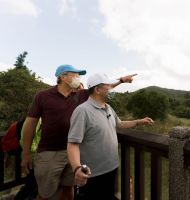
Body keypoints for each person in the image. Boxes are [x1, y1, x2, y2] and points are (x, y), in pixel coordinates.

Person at [21, 64, 136, 200]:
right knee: (45, 193)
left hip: (75, 153)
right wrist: (26, 152)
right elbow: (30, 124)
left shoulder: (81, 94)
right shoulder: (43, 96)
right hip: (50, 152)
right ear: (63, 77)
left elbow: (103, 89)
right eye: (75, 74)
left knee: (69, 188)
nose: (78, 77)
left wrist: (121, 80)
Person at [67, 73, 154, 199]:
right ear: (97, 90)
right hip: (93, 174)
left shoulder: (108, 107)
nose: (112, 89)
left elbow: (119, 124)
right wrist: (77, 168)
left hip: (111, 168)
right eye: (108, 86)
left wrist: (138, 121)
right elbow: (72, 143)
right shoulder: (82, 111)